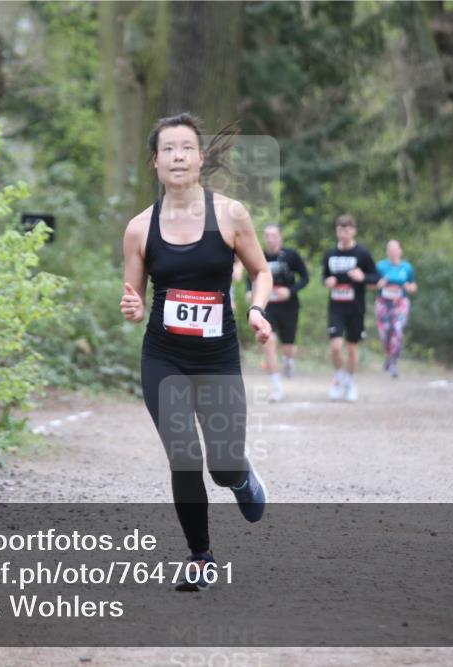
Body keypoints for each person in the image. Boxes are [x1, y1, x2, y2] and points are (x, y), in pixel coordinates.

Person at [120, 113, 272, 592]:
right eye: (168, 149)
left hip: (217, 357)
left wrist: (257, 309)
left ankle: (242, 478)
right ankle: (200, 555)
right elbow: (134, 293)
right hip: (163, 356)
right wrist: (131, 303)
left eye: (186, 147)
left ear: (200, 158)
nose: (178, 156)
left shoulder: (230, 214)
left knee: (222, 463)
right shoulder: (140, 228)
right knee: (184, 455)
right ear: (155, 162)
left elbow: (260, 272)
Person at [246, 224, 309, 401]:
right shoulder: (259, 256)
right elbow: (251, 276)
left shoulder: (291, 255)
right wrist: (249, 290)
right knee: (269, 340)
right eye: (267, 235)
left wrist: (291, 291)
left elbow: (305, 278)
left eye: (274, 235)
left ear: (280, 237)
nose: (270, 239)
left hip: (289, 306)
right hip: (267, 306)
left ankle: (288, 361)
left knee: (288, 347)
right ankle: (277, 387)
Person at [322, 214, 378, 401]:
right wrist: (327, 281)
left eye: (346, 229)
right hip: (336, 307)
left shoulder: (362, 253)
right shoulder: (330, 254)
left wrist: (363, 278)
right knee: (336, 346)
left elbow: (375, 278)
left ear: (353, 231)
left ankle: (351, 382)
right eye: (339, 229)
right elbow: (325, 276)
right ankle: (339, 377)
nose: (343, 233)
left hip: (356, 307)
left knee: (352, 348)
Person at [374, 239, 417, 379]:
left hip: (400, 303)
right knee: (385, 333)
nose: (392, 252)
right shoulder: (380, 266)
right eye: (389, 249)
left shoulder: (407, 267)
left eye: (395, 249)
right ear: (387, 251)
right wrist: (379, 284)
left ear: (400, 251)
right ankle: (388, 355)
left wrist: (408, 287)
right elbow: (371, 284)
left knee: (397, 330)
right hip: (383, 302)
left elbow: (413, 286)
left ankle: (394, 362)